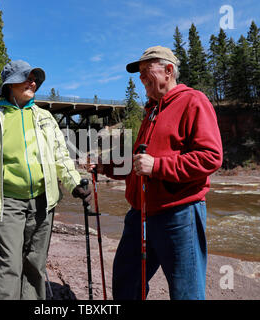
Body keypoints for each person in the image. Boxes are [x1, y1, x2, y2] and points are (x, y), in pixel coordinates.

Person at [88, 46, 223, 300]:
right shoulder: (151, 110)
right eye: (138, 73)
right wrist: (104, 167)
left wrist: (158, 166)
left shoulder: (194, 101)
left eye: (145, 71)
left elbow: (211, 157)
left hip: (179, 215)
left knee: (186, 293)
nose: (140, 78)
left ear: (168, 70)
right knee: (126, 283)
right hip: (139, 216)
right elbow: (139, 161)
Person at [0, 60, 92, 300]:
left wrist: (74, 184)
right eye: (26, 78)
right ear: (10, 84)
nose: (32, 82)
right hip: (8, 201)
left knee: (35, 263)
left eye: (34, 78)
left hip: (43, 201)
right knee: (9, 263)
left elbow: (60, 157)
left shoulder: (45, 118)